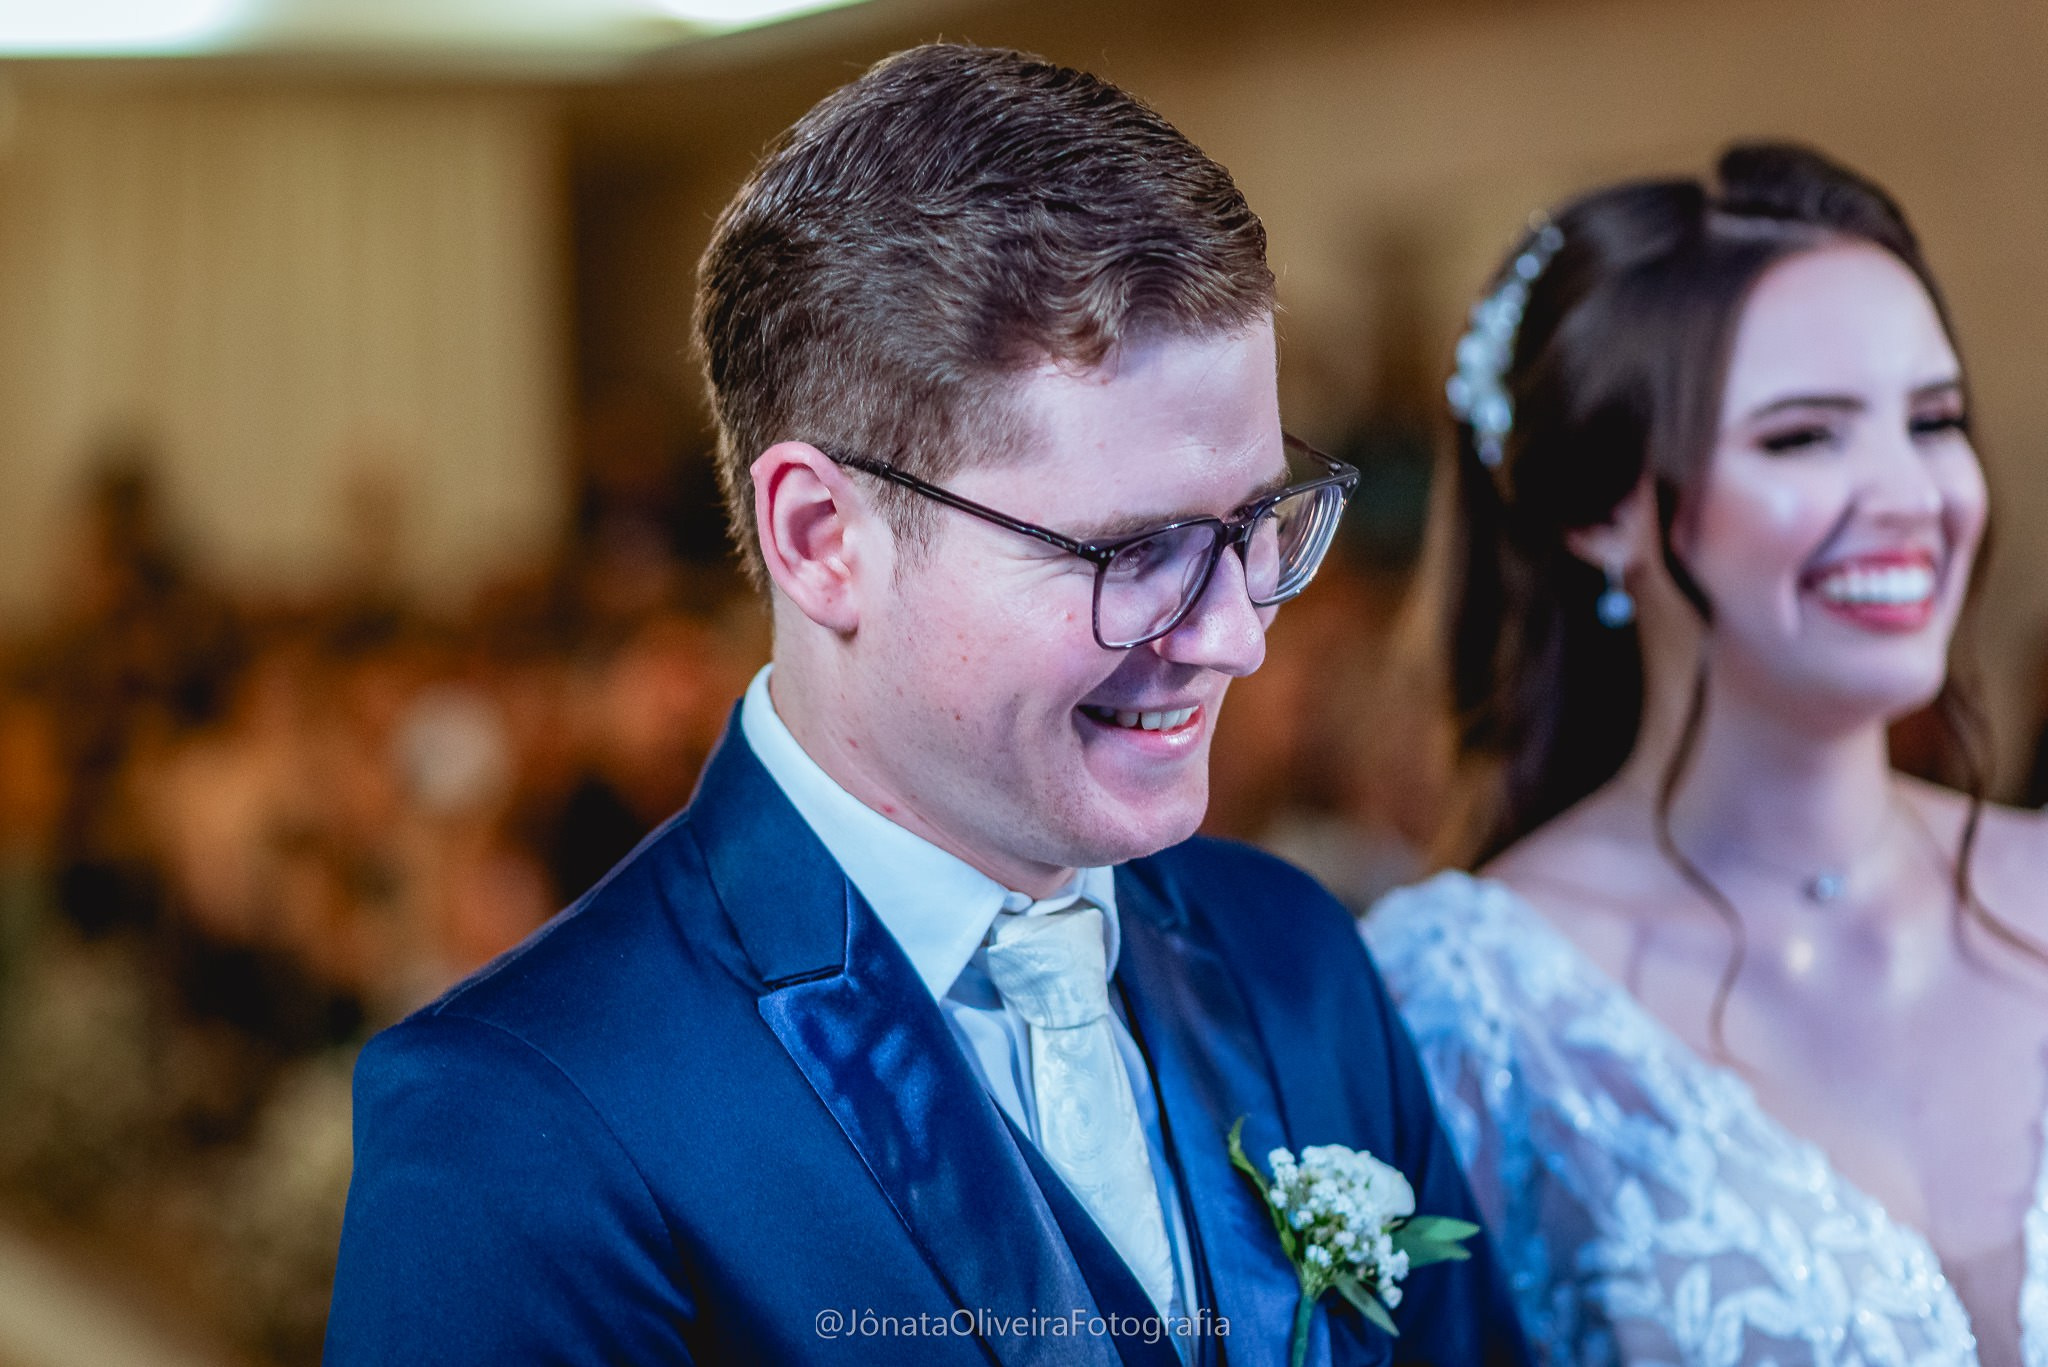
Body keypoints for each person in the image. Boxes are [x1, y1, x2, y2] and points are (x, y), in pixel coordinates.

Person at [326, 44, 1530, 1366]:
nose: (1238, 634)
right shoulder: (523, 1124)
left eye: (1257, 521)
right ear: (822, 535)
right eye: (1134, 551)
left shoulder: (1294, 958)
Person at [1363, 141, 2048, 1364]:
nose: (1910, 492)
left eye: (1931, 420)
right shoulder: (1468, 1003)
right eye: (1801, 438)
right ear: (1599, 509)